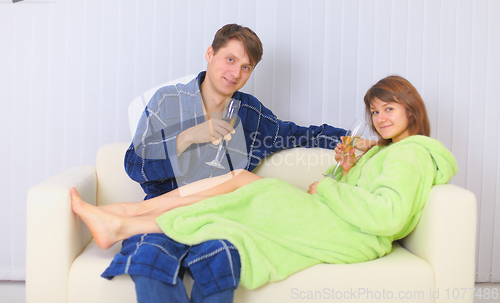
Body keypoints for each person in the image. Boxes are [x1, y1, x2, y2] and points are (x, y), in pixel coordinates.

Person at [72, 75, 458, 294]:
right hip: (333, 221)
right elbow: (351, 193)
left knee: (241, 186)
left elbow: (386, 216)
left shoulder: (412, 154)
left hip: (349, 236)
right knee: (239, 182)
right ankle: (124, 216)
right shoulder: (383, 153)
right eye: (375, 111)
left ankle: (125, 219)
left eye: (388, 109)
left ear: (412, 108)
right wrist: (342, 168)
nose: (379, 119)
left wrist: (326, 188)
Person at [100, 24, 364, 303]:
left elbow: (298, 134)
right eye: (230, 59)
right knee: (150, 258)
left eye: (246, 67)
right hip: (162, 212)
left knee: (223, 258)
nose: (236, 73)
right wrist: (186, 137)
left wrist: (351, 140)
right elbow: (134, 164)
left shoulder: (249, 113)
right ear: (210, 53)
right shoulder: (168, 101)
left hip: (220, 217)